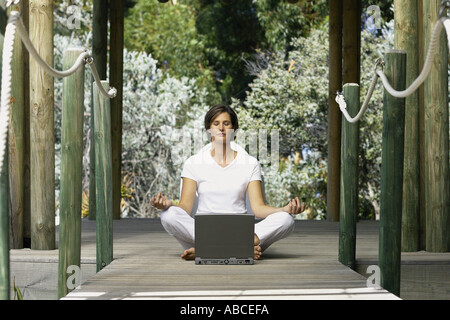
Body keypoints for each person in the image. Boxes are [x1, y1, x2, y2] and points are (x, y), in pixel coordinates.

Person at [151, 105, 306, 261]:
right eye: (216, 123)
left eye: (226, 123)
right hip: (204, 232)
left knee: (286, 219)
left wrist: (284, 209)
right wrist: (169, 204)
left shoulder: (250, 163)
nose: (221, 128)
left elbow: (258, 208)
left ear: (234, 129)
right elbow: (185, 207)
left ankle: (208, 250)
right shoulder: (193, 163)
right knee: (168, 215)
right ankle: (238, 249)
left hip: (240, 231)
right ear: (208, 129)